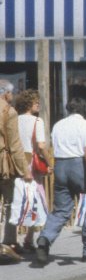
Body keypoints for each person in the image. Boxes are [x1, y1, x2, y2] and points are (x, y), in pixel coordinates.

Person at [36, 98, 86, 263]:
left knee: (61, 209)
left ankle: (45, 237)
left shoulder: (58, 125)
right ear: (84, 109)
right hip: (79, 165)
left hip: (61, 165)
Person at [0, 79, 32, 262]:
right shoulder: (8, 111)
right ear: (5, 93)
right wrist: (25, 170)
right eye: (11, 93)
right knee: (10, 202)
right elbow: (14, 145)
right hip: (3, 166)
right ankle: (9, 241)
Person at [13, 89, 48, 253]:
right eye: (36, 101)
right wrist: (48, 162)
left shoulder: (14, 120)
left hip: (15, 162)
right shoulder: (37, 121)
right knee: (36, 200)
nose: (38, 104)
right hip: (31, 164)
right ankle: (29, 238)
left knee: (17, 200)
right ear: (29, 104)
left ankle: (13, 239)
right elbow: (40, 145)